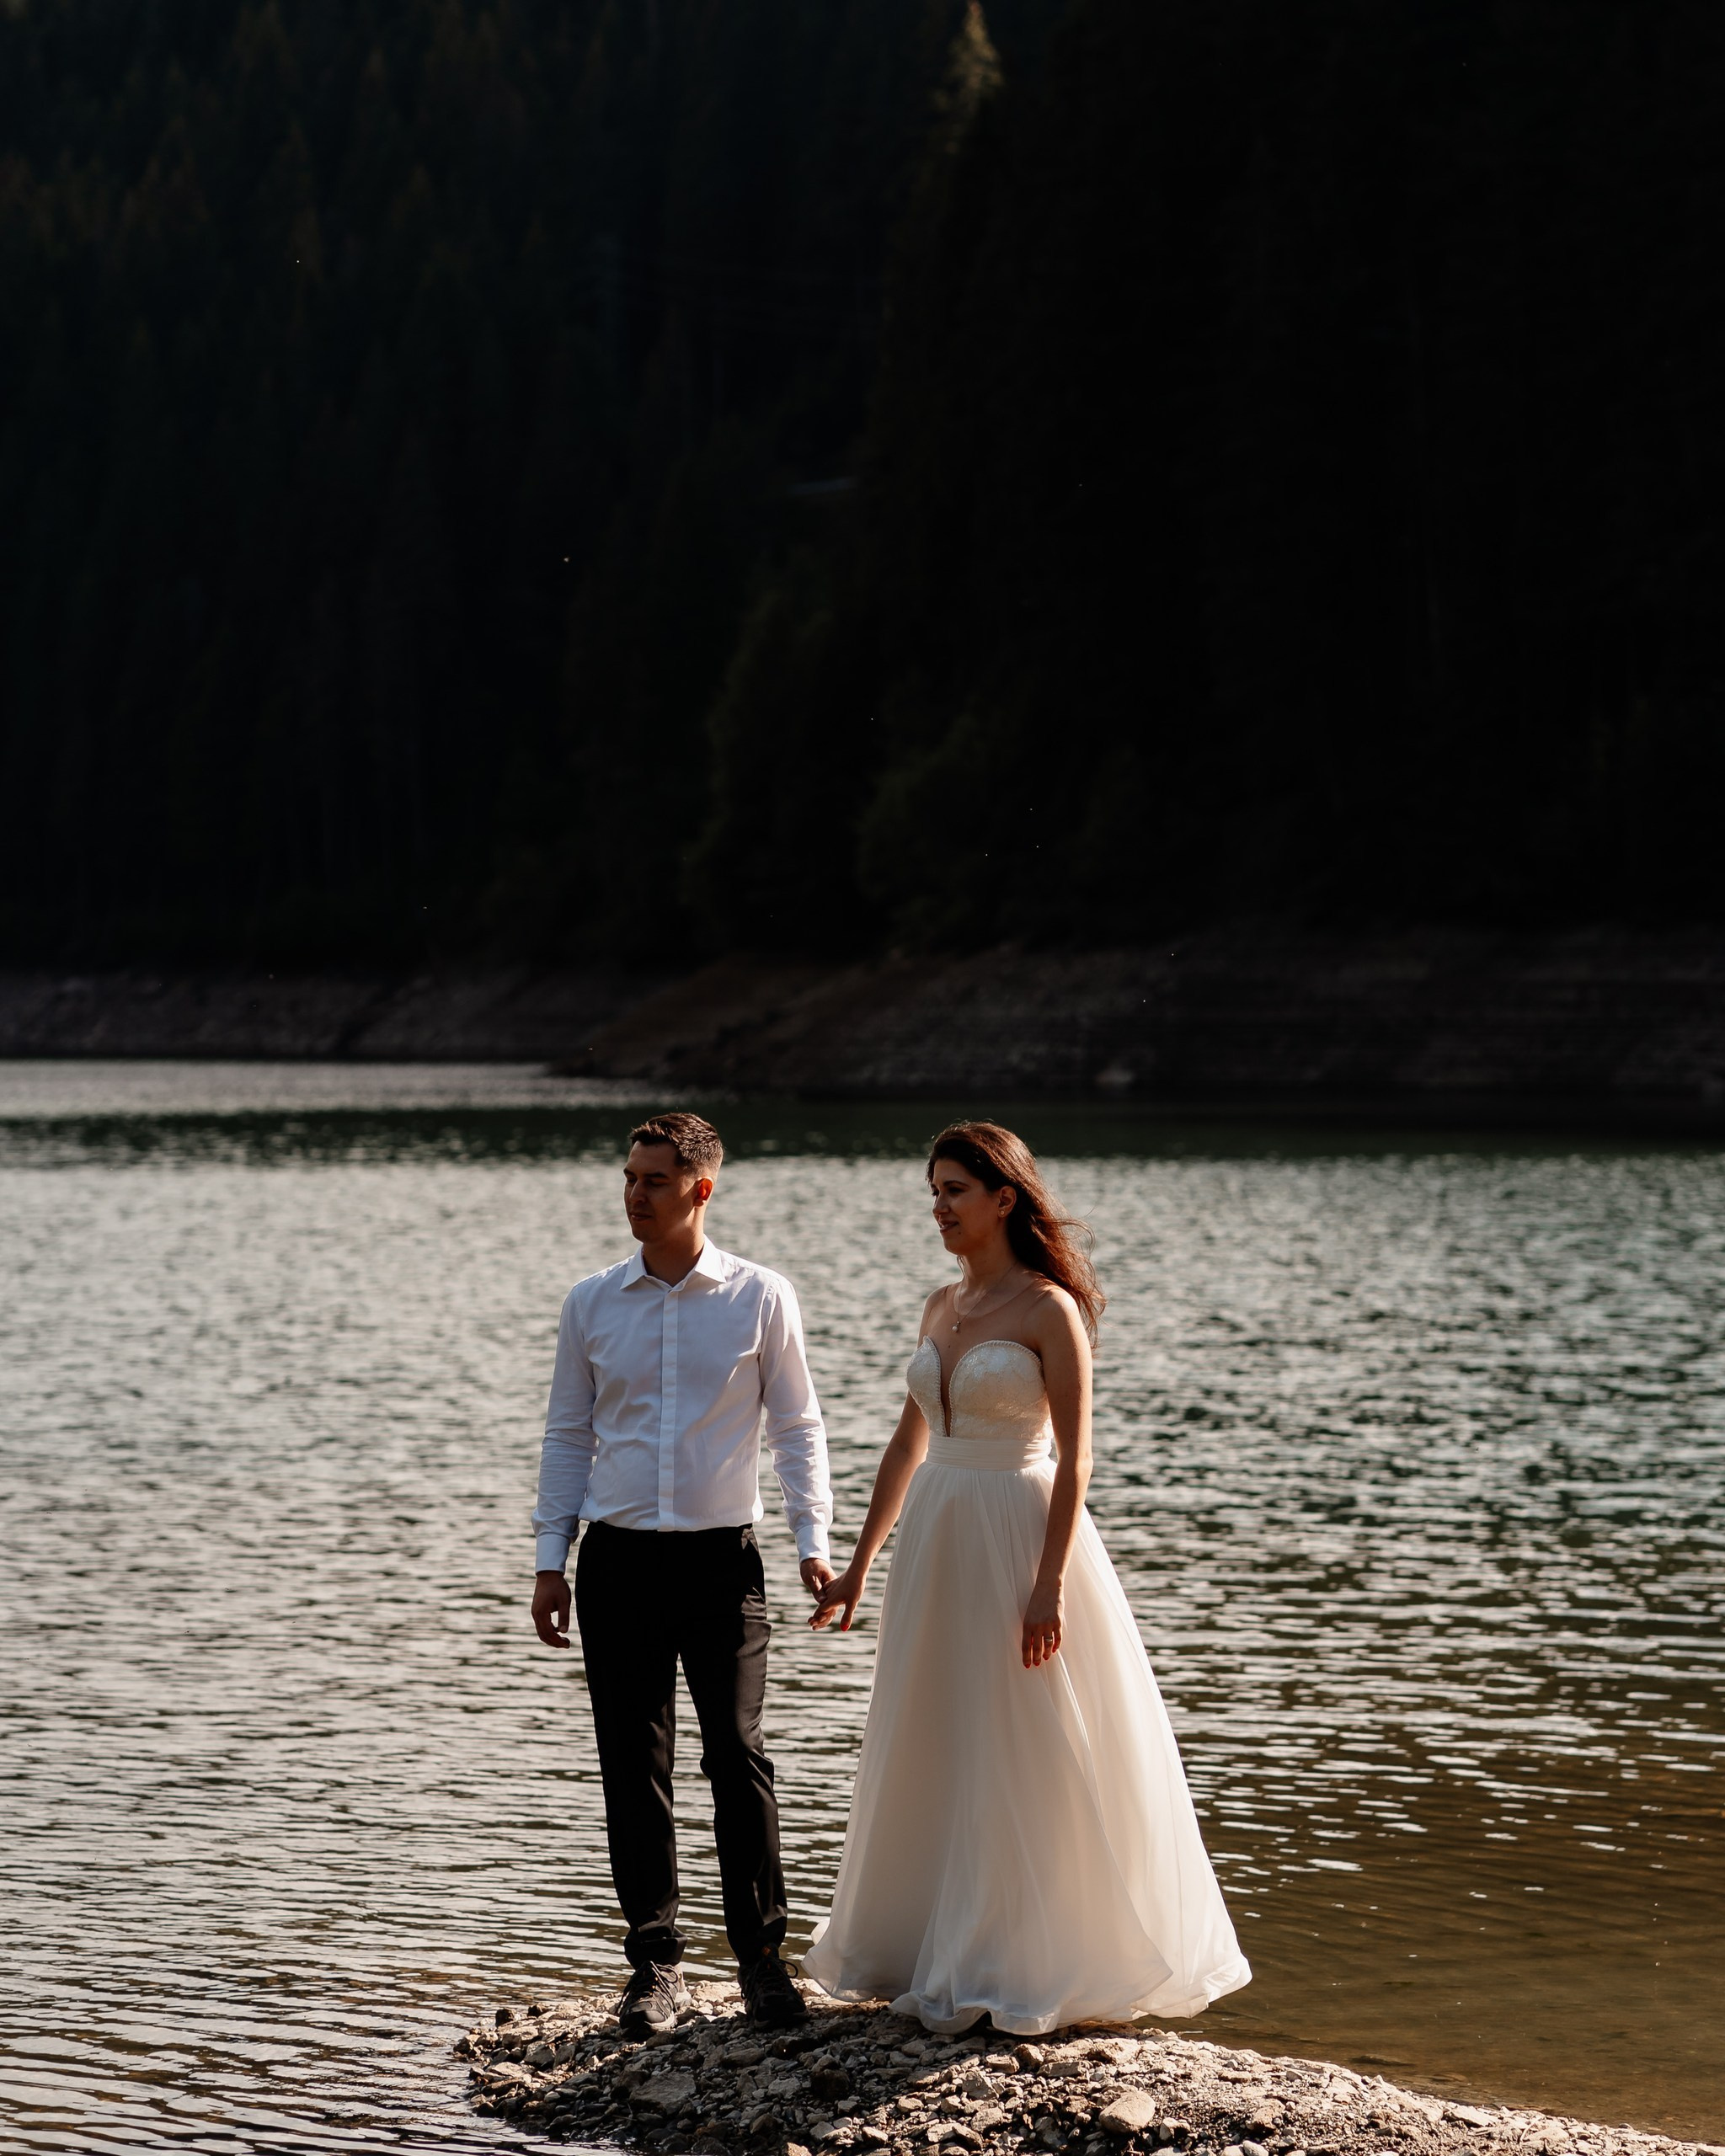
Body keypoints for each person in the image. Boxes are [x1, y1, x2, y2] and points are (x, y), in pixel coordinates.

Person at [803, 1120, 1250, 2034]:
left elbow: (1077, 1460)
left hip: (1018, 1530)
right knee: (937, 1728)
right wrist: (858, 1564)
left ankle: (1023, 1955)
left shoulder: (1049, 1309)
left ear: (1003, 1198)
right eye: (933, 1192)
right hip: (935, 1535)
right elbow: (906, 1443)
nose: (938, 1208)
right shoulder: (939, 1304)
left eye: (954, 1191)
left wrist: (1049, 1585)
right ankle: (921, 1942)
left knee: (1022, 1736)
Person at [531, 1112, 835, 2035]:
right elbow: (567, 1434)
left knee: (737, 1755)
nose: (634, 1193)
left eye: (653, 1180)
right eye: (629, 1176)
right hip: (616, 1561)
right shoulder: (591, 1301)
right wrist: (550, 1560)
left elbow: (797, 1427)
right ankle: (655, 1965)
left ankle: (762, 1964)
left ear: (701, 1188)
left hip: (721, 1562)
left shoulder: (760, 1296)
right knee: (634, 1764)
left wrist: (812, 1540)